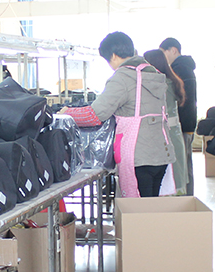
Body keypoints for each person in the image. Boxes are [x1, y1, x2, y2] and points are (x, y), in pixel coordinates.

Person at [62, 32, 175, 197]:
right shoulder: (152, 74)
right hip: (161, 152)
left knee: (137, 207)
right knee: (151, 205)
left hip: (138, 155)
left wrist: (67, 114)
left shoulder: (123, 77)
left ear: (113, 55)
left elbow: (95, 114)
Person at [143, 49, 188, 196]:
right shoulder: (174, 81)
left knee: (166, 180)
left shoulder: (157, 85)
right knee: (177, 177)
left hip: (163, 135)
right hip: (175, 133)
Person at [161, 37, 198, 196]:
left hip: (182, 124)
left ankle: (186, 198)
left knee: (183, 166)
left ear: (173, 50)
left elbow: (181, 101)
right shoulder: (185, 68)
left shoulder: (179, 69)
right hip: (187, 122)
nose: (164, 58)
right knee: (185, 164)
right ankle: (187, 197)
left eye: (164, 53)